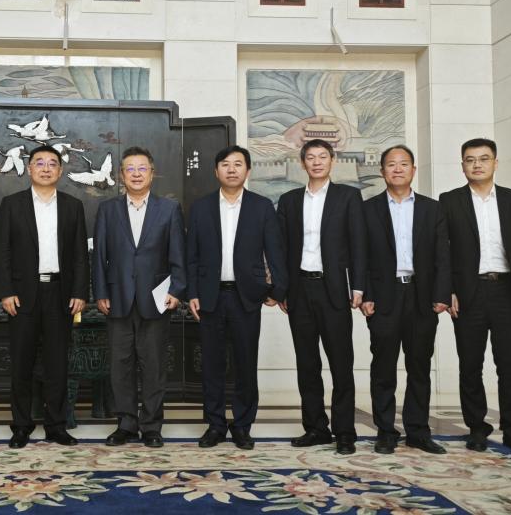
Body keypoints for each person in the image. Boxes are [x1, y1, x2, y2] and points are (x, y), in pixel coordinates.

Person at [440, 138, 511, 456]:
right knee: (470, 364)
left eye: (484, 159)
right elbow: (443, 251)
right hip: (468, 293)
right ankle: (477, 428)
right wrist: (448, 291)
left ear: (495, 163)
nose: (477, 165)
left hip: (507, 290)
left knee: (509, 366)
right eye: (470, 160)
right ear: (463, 166)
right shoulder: (449, 201)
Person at [186, 145, 287, 450]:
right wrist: (192, 293)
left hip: (247, 297)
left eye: (238, 164)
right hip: (210, 297)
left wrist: (276, 291)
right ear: (216, 171)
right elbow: (192, 256)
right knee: (212, 365)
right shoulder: (201, 207)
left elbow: (275, 252)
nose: (232, 169)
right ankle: (215, 425)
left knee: (245, 363)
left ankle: (242, 425)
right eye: (225, 164)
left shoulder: (261, 207)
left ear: (248, 170)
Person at [0, 144, 89, 448]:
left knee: (57, 364)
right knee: (21, 364)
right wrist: (5, 292)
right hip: (22, 295)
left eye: (52, 163)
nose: (46, 168)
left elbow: (79, 255)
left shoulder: (73, 206)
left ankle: (56, 426)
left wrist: (80, 292)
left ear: (60, 171)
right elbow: (2, 252)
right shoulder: (11, 204)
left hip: (60, 294)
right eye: (39, 163)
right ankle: (21, 426)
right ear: (29, 168)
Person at [275, 138, 366, 455]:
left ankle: (345, 431)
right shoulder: (289, 201)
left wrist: (358, 286)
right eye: (311, 157)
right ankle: (315, 428)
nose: (316, 162)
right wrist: (282, 289)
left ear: (332, 161)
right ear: (303, 163)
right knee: (307, 364)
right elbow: (281, 249)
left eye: (322, 157)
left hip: (334, 290)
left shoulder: (348, 197)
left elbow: (359, 244)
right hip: (300, 289)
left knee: (341, 363)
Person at [93, 147, 186, 448]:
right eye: (130, 169)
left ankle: (151, 426)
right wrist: (101, 292)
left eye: (142, 168)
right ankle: (126, 424)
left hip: (156, 300)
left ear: (152, 173)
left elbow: (178, 254)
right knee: (120, 366)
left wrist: (176, 290)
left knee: (153, 365)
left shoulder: (168, 209)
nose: (136, 174)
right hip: (117, 298)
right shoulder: (108, 210)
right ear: (121, 175)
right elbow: (99, 256)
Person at [360, 144, 451, 455]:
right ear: (382, 171)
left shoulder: (432, 208)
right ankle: (386, 431)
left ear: (413, 169)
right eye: (391, 164)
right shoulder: (368, 209)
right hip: (383, 297)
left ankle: (418, 431)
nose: (397, 169)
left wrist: (441, 294)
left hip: (421, 297)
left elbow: (443, 255)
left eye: (403, 164)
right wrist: (365, 294)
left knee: (419, 366)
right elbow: (361, 256)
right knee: (383, 368)